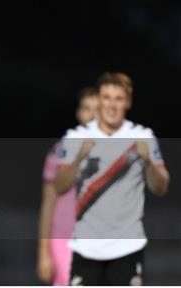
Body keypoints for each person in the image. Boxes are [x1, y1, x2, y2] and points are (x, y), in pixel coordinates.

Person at [54, 72, 170, 285]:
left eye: (118, 98)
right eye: (107, 97)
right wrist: (79, 156)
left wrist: (149, 162)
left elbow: (160, 187)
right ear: (98, 100)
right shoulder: (76, 137)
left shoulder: (143, 136)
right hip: (86, 247)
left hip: (127, 247)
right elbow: (59, 186)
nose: (112, 105)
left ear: (128, 102)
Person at [37, 87, 98, 285]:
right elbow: (48, 204)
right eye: (87, 109)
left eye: (98, 109)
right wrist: (43, 253)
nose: (93, 115)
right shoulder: (60, 151)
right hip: (65, 240)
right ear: (79, 113)